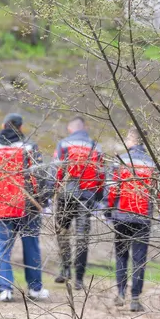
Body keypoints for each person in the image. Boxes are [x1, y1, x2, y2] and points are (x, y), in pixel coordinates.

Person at [0, 114, 50, 302]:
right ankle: (35, 288)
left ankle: (5, 290)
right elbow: (39, 177)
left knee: (1, 248)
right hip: (27, 207)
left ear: (3, 126)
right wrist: (43, 201)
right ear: (21, 128)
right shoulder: (29, 148)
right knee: (31, 245)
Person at [106, 129, 160, 311]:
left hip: (121, 214)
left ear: (132, 139)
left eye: (127, 137)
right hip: (142, 217)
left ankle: (121, 292)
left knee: (121, 254)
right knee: (139, 259)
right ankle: (136, 299)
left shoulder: (120, 160)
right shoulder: (153, 164)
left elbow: (112, 187)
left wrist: (109, 209)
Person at [52, 116, 104, 289]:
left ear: (69, 128)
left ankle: (65, 269)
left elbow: (57, 169)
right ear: (85, 128)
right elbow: (101, 175)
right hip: (86, 197)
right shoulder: (96, 147)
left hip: (66, 195)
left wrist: (55, 189)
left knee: (63, 231)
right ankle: (79, 279)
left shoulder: (64, 144)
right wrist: (97, 196)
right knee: (82, 237)